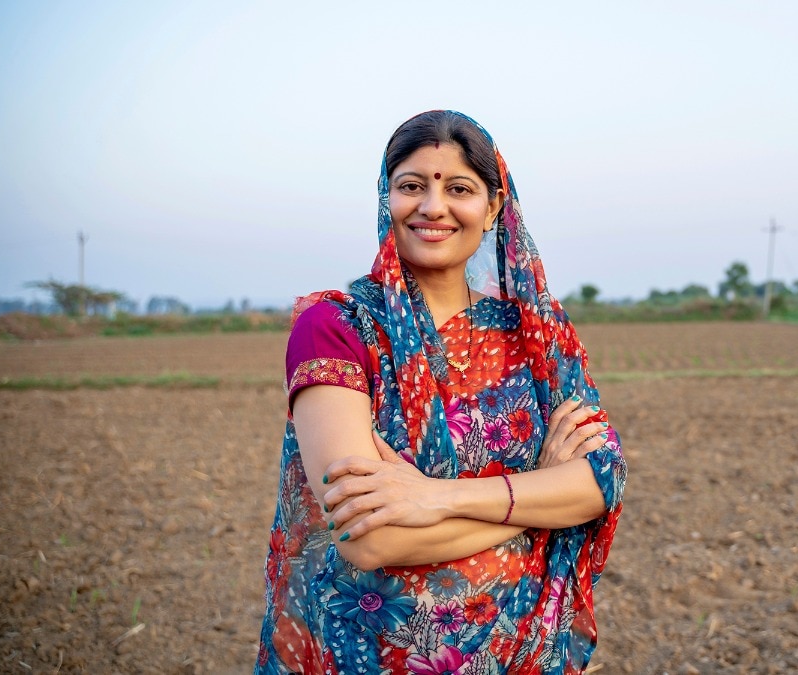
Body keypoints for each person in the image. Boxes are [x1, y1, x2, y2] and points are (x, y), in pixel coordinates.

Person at [256, 110, 626, 674]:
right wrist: (539, 500)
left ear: (493, 206)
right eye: (411, 186)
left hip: (518, 649)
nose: (433, 207)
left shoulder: (537, 334)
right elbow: (368, 540)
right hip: (372, 652)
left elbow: (601, 480)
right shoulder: (337, 328)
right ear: (388, 200)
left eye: (459, 188)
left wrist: (433, 497)